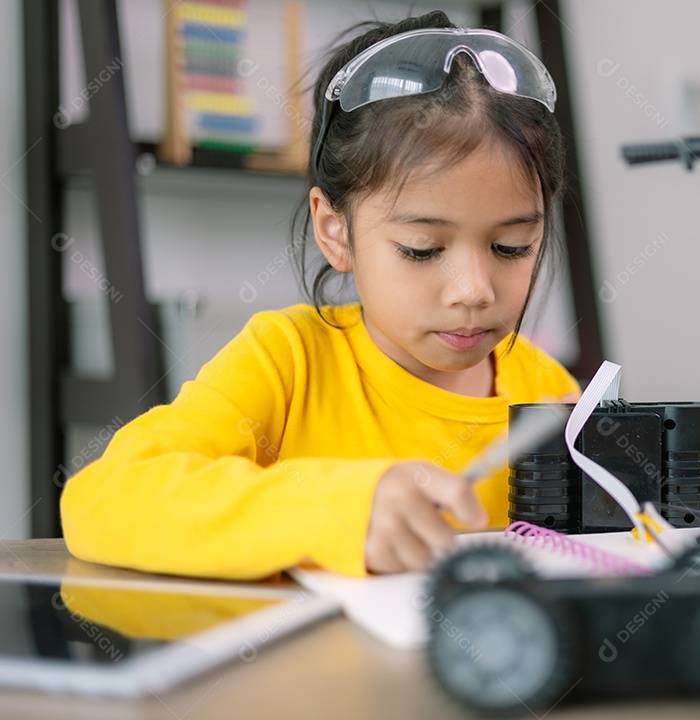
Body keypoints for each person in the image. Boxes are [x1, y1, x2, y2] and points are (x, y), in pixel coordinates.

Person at [60, 11, 580, 580]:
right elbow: (106, 496)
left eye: (511, 247)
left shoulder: (547, 394)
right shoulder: (286, 363)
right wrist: (336, 510)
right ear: (336, 232)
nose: (475, 291)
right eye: (421, 248)